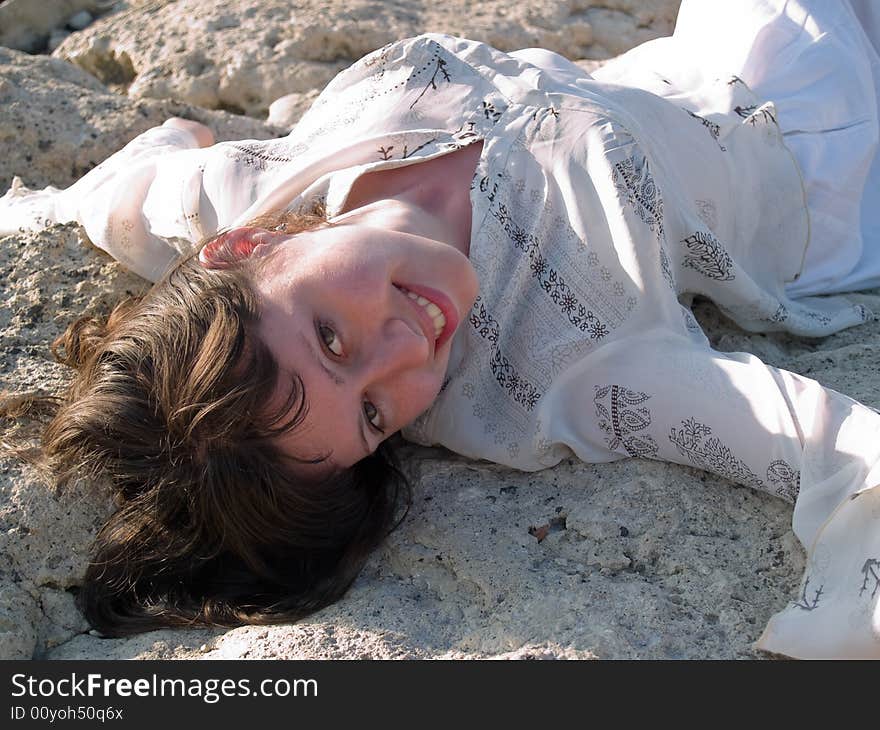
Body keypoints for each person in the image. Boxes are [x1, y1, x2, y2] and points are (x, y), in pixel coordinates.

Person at [2, 0, 879, 659]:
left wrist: (157, 147)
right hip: (840, 163)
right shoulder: (563, 369)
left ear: (244, 249)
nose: (405, 353)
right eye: (378, 415)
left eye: (331, 342)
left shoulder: (239, 197)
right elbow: (828, 449)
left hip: (729, 40)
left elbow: (129, 193)